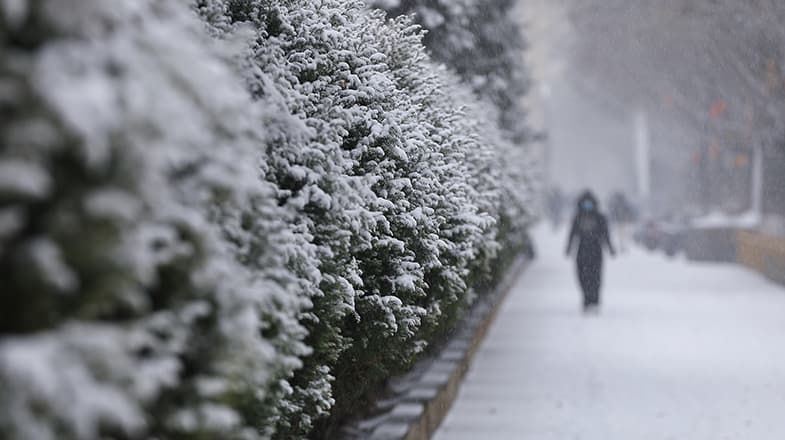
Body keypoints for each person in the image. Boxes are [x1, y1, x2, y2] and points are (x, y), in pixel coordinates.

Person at [565, 190, 616, 312]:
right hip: (582, 251)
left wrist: (610, 248)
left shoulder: (600, 217)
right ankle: (586, 299)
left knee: (596, 277)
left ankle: (594, 300)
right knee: (582, 276)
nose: (587, 206)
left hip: (596, 251)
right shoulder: (578, 217)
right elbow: (572, 234)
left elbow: (605, 234)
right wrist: (568, 248)